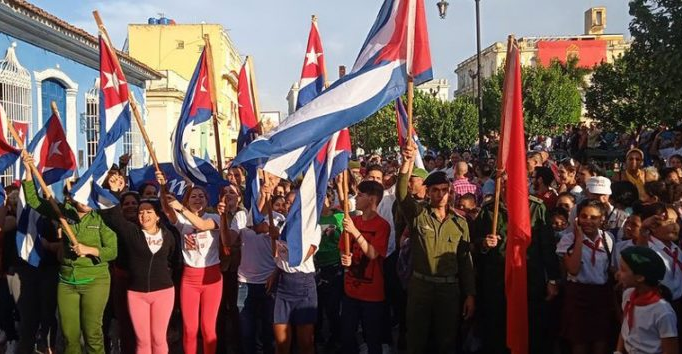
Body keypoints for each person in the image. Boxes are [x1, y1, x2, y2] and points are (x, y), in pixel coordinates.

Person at [22, 155, 117, 354]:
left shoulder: (102, 219)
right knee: (69, 335)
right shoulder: (63, 211)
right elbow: (33, 200)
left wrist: (89, 250)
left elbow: (112, 251)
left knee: (92, 333)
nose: (84, 200)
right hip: (67, 281)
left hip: (95, 281)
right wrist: (29, 171)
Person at [397, 144, 475, 354]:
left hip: (449, 290)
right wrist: (406, 162)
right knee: (416, 339)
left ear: (450, 193)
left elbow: (465, 261)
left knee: (447, 341)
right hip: (421, 287)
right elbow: (402, 194)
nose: (440, 194)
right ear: (428, 192)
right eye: (435, 190)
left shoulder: (460, 223)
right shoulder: (418, 215)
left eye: (444, 190)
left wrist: (470, 294)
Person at [473, 176, 561, 354]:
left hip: (528, 279)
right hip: (497, 280)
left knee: (529, 326)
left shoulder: (536, 208)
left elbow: (547, 246)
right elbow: (474, 241)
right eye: (503, 183)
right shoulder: (490, 209)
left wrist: (552, 279)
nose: (507, 186)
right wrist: (484, 243)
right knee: (497, 326)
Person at [100, 193, 179, 354]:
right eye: (141, 212)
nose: (144, 215)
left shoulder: (168, 235)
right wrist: (114, 191)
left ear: (157, 216)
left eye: (149, 212)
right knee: (142, 341)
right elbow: (113, 217)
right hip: (137, 294)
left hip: (163, 293)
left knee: (158, 338)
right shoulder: (132, 233)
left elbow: (174, 260)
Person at [158, 173, 222, 354]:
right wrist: (163, 186)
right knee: (190, 328)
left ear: (207, 200)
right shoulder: (182, 220)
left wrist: (181, 208)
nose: (197, 199)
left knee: (208, 328)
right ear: (187, 200)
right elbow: (167, 207)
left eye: (201, 196)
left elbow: (202, 225)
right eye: (193, 196)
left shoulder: (214, 217)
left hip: (212, 278)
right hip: (190, 279)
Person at [556, 199, 616, 354]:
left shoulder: (608, 239)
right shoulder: (568, 239)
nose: (588, 221)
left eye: (594, 217)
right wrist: (579, 238)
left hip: (601, 295)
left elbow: (609, 268)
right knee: (579, 342)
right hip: (579, 295)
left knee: (600, 340)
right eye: (584, 216)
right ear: (577, 218)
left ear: (602, 219)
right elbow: (573, 269)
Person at [339, 180, 390, 354]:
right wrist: (345, 258)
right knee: (346, 335)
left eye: (360, 195)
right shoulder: (352, 221)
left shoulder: (382, 225)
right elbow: (343, 249)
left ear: (372, 199)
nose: (356, 199)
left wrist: (354, 231)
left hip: (372, 294)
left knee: (372, 338)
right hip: (350, 291)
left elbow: (374, 254)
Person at [615, 246, 679, 354]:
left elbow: (670, 349)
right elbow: (625, 328)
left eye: (623, 270)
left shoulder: (663, 312)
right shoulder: (628, 295)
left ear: (640, 277)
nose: (618, 274)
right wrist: (618, 351)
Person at [314, 188, 344, 350]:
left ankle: (335, 336)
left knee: (332, 306)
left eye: (324, 197)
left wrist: (335, 234)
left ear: (331, 200)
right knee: (317, 305)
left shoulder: (339, 217)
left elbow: (346, 239)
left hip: (334, 266)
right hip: (316, 265)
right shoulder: (312, 218)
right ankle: (317, 334)